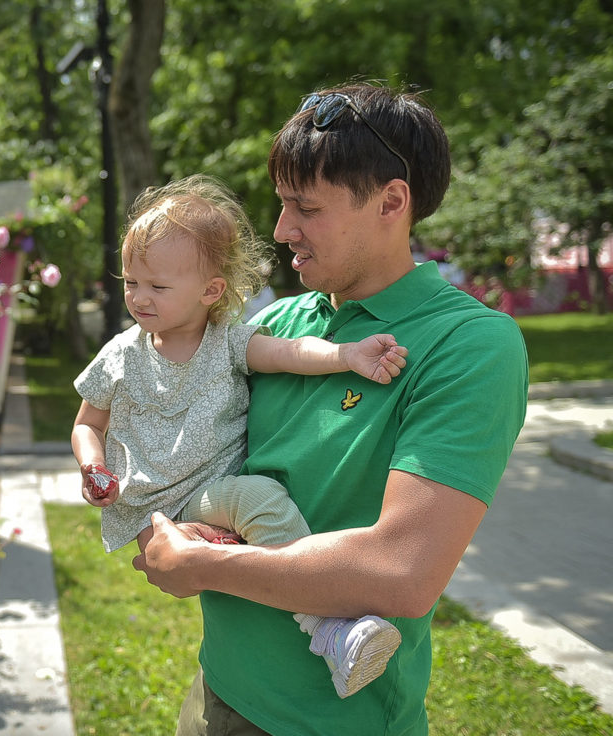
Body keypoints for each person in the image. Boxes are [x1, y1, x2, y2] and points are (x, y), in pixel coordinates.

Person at [131, 84, 528, 735]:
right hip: (217, 693)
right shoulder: (280, 327)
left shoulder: (470, 345)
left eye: (304, 208)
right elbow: (178, 448)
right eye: (284, 205)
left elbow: (401, 572)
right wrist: (163, 530)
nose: (283, 229)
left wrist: (202, 565)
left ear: (391, 202)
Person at [71, 174, 409, 699]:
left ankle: (326, 626)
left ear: (211, 291)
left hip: (208, 494)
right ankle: (330, 626)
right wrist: (94, 466)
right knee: (254, 507)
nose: (139, 297)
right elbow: (87, 423)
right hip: (148, 510)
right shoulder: (120, 354)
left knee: (258, 501)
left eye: (158, 286)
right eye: (130, 282)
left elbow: (290, 353)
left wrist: (347, 355)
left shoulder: (227, 342)